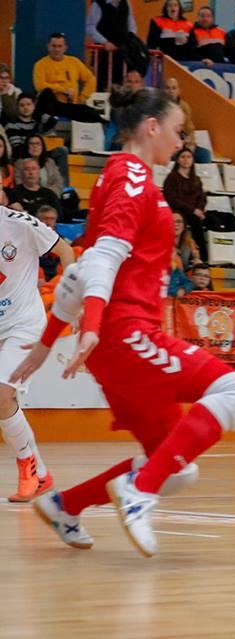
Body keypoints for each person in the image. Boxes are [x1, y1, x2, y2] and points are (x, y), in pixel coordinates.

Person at [13, 86, 235, 557]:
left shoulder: (118, 178)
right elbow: (102, 260)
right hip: (127, 333)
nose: (181, 141)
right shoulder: (131, 176)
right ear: (151, 127)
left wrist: (49, 343)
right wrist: (92, 326)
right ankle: (139, 494)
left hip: (114, 344)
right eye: (177, 130)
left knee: (174, 465)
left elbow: (81, 272)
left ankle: (65, 506)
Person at [0, 207, 74, 501]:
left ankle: (28, 468)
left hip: (23, 325)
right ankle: (41, 474)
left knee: (2, 395)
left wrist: (71, 298)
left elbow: (66, 251)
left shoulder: (20, 224)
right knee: (6, 403)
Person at [33, 34, 104, 124]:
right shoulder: (40, 64)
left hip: (70, 104)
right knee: (47, 93)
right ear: (48, 47)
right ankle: (51, 122)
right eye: (54, 46)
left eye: (60, 46)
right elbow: (39, 86)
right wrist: (64, 90)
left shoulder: (74, 61)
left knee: (92, 113)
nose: (56, 49)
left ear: (65, 48)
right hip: (51, 104)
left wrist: (82, 98)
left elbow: (91, 79)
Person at [164, 147, 208, 259]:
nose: (186, 159)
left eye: (188, 157)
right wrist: (193, 210)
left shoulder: (196, 179)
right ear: (178, 160)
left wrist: (200, 209)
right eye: (183, 157)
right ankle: (189, 257)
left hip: (195, 212)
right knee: (193, 222)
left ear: (192, 160)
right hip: (179, 211)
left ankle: (204, 259)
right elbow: (172, 200)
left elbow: (202, 197)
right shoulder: (171, 178)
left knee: (213, 222)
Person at [86, 0, 137, 89]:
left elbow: (131, 25)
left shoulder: (126, 3)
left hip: (122, 55)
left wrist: (130, 40)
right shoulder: (98, 3)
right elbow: (89, 27)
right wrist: (104, 42)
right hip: (102, 54)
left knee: (121, 87)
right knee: (101, 86)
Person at [163, 77, 212, 164]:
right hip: (169, 146)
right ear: (163, 91)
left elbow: (190, 129)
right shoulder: (159, 107)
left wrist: (191, 143)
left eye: (174, 88)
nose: (171, 91)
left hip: (185, 144)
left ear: (178, 91)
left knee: (205, 154)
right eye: (168, 88)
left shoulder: (184, 106)